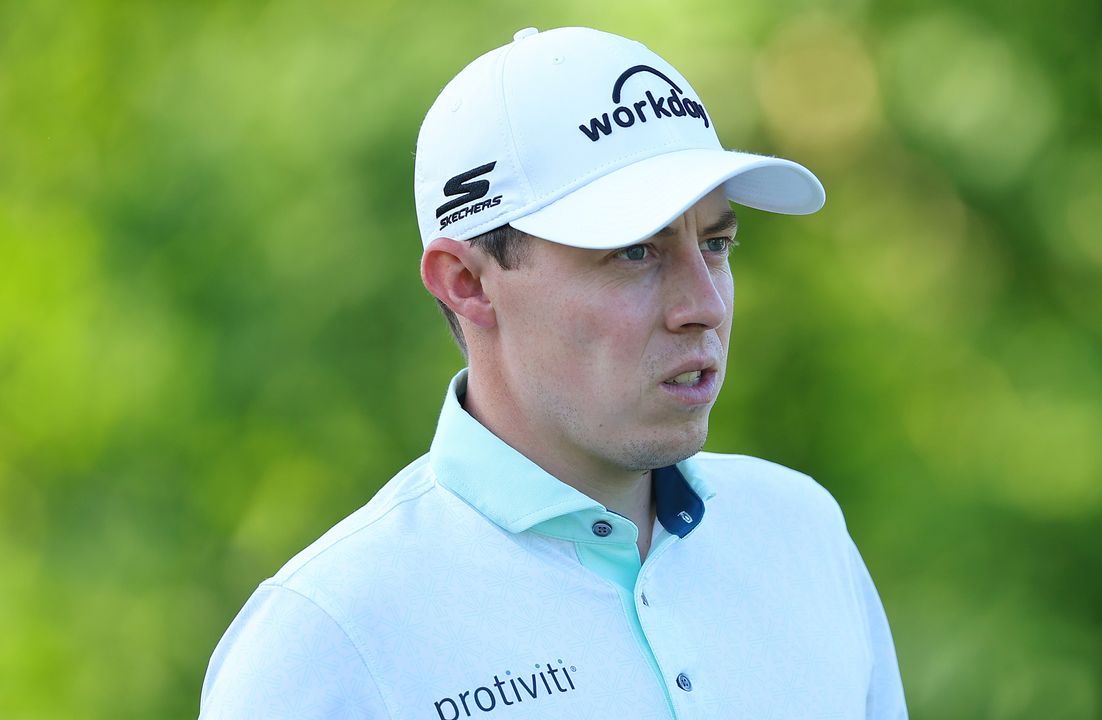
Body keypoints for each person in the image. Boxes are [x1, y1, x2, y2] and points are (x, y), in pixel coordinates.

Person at [199, 26, 907, 719]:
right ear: (466, 284)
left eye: (716, 243)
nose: (704, 305)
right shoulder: (328, 640)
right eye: (635, 252)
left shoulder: (802, 532)